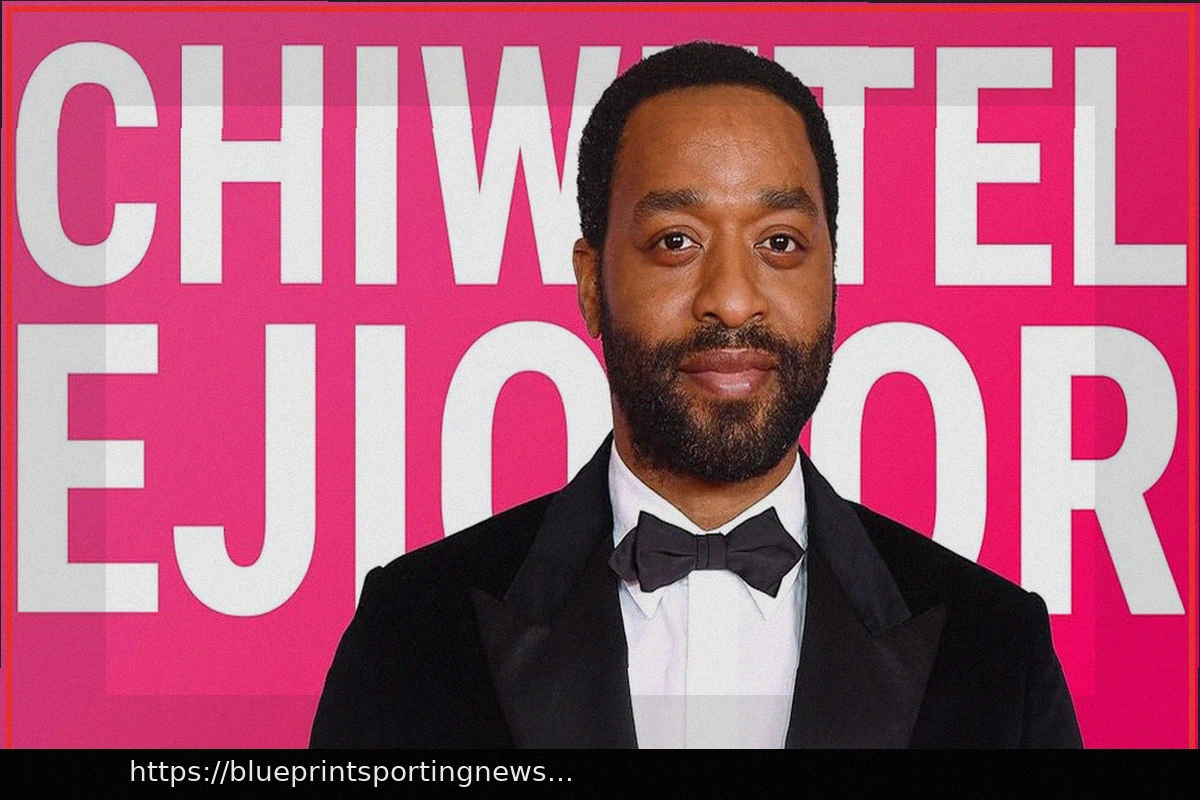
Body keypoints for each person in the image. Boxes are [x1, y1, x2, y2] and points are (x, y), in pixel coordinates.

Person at [311, 41, 1082, 748]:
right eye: (676, 241)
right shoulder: (409, 633)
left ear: (832, 274)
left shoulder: (997, 649)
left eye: (780, 243)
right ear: (591, 284)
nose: (733, 300)